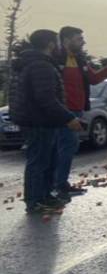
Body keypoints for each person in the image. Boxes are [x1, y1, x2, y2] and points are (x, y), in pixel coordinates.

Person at [8, 29, 82, 213]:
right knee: (39, 162)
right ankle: (35, 201)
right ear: (50, 44)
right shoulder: (41, 65)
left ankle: (45, 195)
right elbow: (46, 98)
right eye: (57, 42)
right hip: (38, 121)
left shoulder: (34, 63)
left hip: (40, 119)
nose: (59, 46)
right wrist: (68, 118)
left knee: (47, 160)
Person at [52, 26, 107, 201]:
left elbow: (93, 79)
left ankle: (58, 184)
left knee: (68, 146)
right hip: (62, 110)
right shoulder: (55, 59)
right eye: (78, 39)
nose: (83, 42)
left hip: (77, 109)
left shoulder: (80, 59)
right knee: (65, 146)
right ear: (66, 40)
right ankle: (58, 185)